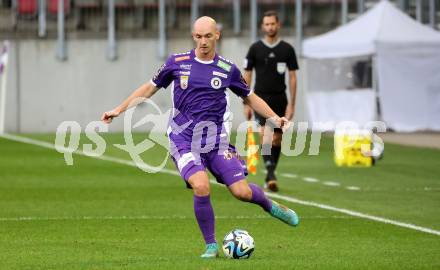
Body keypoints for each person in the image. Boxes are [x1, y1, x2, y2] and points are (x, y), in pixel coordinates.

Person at [101, 16, 299, 259]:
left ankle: (271, 206)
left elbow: (249, 97)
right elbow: (148, 88)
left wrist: (275, 118)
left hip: (216, 141)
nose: (203, 41)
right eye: (198, 36)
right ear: (193, 36)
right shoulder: (177, 62)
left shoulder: (227, 69)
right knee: (202, 185)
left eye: (207, 36)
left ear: (217, 35)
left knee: (241, 192)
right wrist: (119, 110)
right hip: (183, 139)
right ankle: (211, 245)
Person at [243, 11, 299, 192]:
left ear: (278, 24)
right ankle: (271, 173)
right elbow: (247, 74)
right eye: (266, 24)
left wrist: (292, 103)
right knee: (265, 134)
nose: (270, 27)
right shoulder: (255, 49)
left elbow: (292, 77)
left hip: (279, 98)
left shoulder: (287, 50)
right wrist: (246, 102)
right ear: (262, 26)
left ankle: (269, 173)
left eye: (272, 24)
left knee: (276, 139)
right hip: (259, 98)